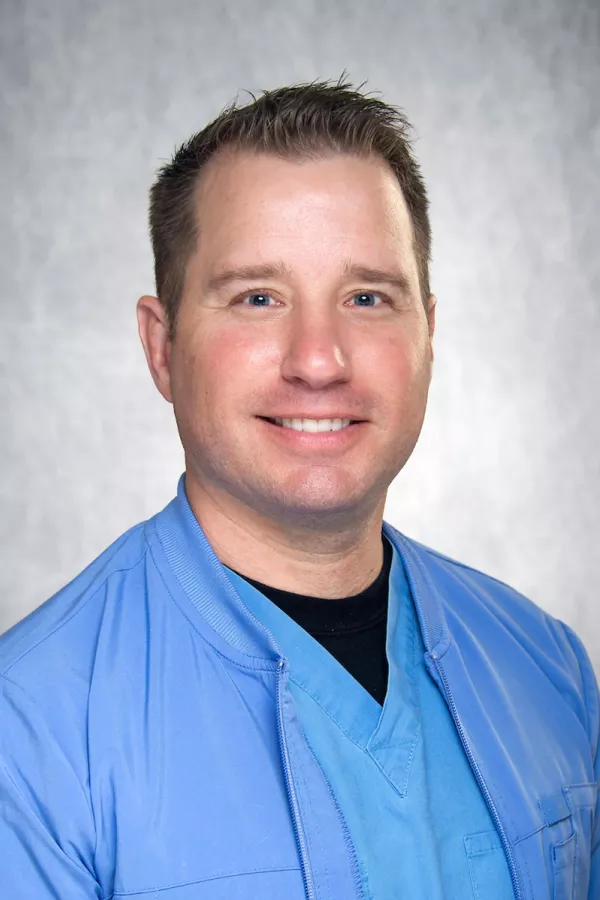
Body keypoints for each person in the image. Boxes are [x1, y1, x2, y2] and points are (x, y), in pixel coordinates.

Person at [0, 79, 597, 900]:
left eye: (366, 297)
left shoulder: (548, 666)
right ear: (162, 347)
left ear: (428, 334)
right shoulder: (28, 731)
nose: (318, 360)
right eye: (258, 298)